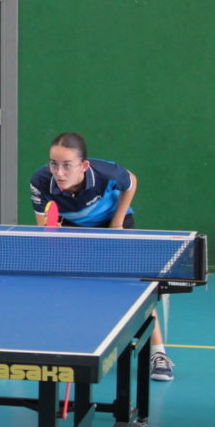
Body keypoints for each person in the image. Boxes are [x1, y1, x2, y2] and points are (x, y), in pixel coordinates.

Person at [29, 132, 173, 381]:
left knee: (134, 288)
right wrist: (54, 236)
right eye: (54, 164)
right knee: (68, 286)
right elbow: (45, 225)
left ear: (84, 165)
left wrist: (117, 223)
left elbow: (131, 181)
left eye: (67, 165)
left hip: (112, 221)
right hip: (73, 228)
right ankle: (75, 344)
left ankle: (158, 354)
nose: (59, 173)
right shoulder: (40, 181)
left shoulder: (106, 173)